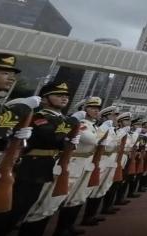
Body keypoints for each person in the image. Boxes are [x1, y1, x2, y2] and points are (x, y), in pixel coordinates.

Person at [0, 81, 80, 236]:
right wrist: (71, 124)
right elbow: (53, 137)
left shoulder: (61, 120)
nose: (64, 98)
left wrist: (69, 140)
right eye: (58, 95)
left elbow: (60, 143)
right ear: (44, 99)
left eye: (66, 96)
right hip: (30, 167)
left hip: (45, 166)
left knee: (29, 208)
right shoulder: (39, 117)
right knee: (12, 210)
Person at [53, 96, 106, 235]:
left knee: (78, 196)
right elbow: (92, 140)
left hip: (86, 162)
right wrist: (104, 132)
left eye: (97, 109)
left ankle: (68, 226)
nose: (96, 111)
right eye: (92, 108)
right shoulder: (81, 123)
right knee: (65, 196)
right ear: (84, 109)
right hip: (74, 162)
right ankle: (60, 229)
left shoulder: (93, 125)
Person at [0, 54, 34, 199]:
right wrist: (22, 108)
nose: (11, 78)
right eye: (4, 73)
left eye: (12, 74)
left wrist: (15, 136)